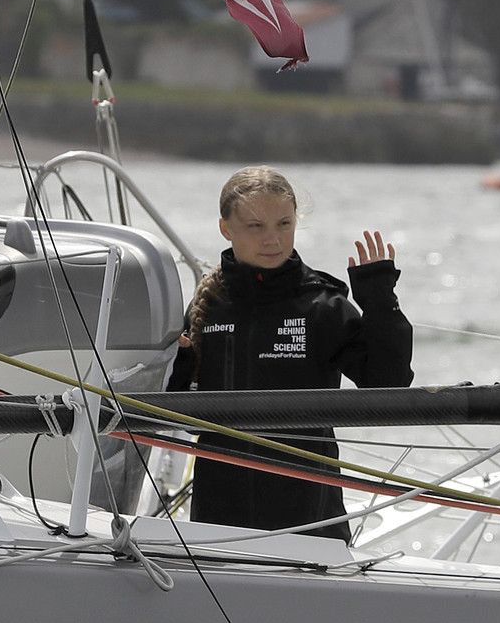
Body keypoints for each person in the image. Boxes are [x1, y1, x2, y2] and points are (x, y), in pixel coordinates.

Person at [166, 166, 413, 542]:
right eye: (256, 226)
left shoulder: (323, 306)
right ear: (226, 228)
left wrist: (379, 300)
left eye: (284, 224)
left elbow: (389, 385)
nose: (273, 239)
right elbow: (185, 419)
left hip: (311, 524)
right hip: (218, 525)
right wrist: (180, 364)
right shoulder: (208, 307)